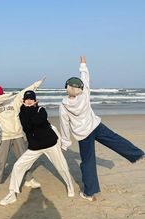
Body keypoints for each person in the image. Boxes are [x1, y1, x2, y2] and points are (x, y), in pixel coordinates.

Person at [59, 56, 145, 202]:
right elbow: (85, 78)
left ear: (66, 88)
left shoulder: (63, 106)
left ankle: (89, 193)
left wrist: (65, 142)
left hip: (83, 134)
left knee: (88, 161)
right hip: (96, 126)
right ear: (80, 89)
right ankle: (138, 154)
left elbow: (64, 125)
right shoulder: (85, 95)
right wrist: (83, 64)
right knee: (115, 139)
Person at [0, 90, 75, 206]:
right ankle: (12, 194)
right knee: (18, 166)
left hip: (50, 144)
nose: (29, 101)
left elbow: (38, 121)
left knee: (62, 167)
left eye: (31, 99)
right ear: (23, 101)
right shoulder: (21, 114)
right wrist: (28, 111)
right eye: (26, 99)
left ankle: (70, 187)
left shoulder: (41, 110)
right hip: (34, 147)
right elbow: (27, 127)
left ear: (35, 100)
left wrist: (29, 111)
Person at [0, 80, 45, 194]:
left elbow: (23, 92)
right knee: (0, 161)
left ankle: (29, 179)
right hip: (4, 136)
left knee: (24, 159)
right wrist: (8, 95)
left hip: (17, 134)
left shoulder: (13, 101)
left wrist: (36, 84)